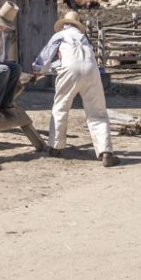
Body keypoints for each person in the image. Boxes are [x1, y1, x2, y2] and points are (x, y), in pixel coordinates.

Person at [32, 10, 120, 167]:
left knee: (61, 107)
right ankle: (105, 151)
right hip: (92, 71)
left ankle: (56, 147)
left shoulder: (60, 36)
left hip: (69, 71)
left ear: (64, 24)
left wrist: (37, 70)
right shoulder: (84, 38)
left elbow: (45, 59)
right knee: (97, 112)